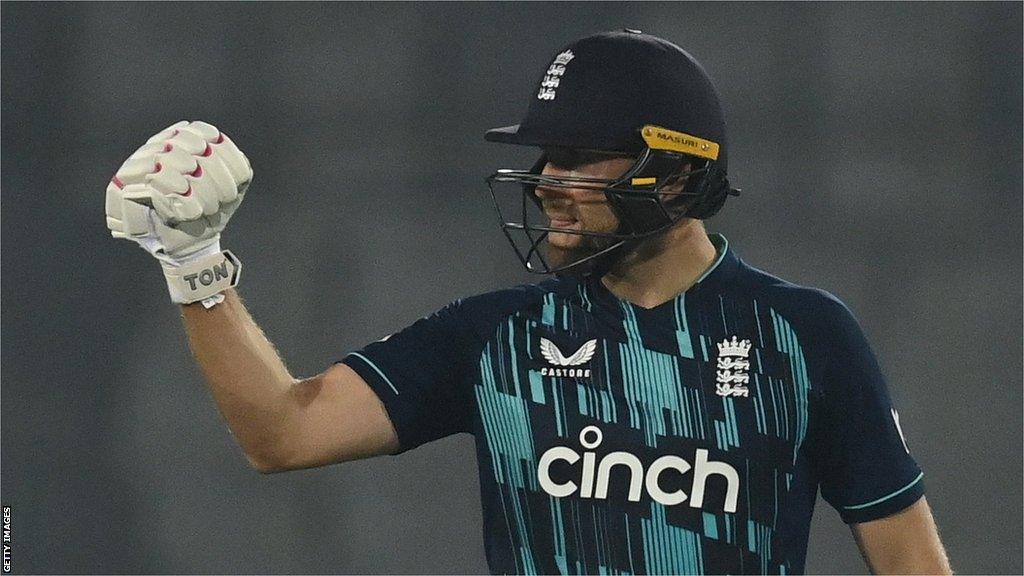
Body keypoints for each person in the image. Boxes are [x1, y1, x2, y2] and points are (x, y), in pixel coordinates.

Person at [105, 30, 951, 575]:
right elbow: (282, 436)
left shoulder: (802, 338)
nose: (547, 182)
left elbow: (913, 564)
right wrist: (195, 266)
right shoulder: (497, 338)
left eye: (580, 155)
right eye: (546, 155)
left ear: (681, 171)